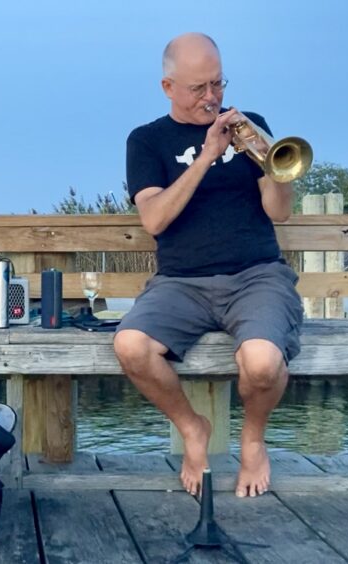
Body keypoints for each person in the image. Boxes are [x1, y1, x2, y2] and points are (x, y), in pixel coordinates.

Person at [113, 32, 303, 498]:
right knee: (130, 345)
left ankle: (253, 438)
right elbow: (155, 219)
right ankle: (192, 428)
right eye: (199, 88)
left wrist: (271, 166)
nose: (212, 98)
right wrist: (206, 157)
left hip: (255, 274)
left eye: (217, 84)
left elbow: (279, 213)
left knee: (261, 363)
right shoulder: (147, 141)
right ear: (168, 87)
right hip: (181, 282)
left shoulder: (250, 124)